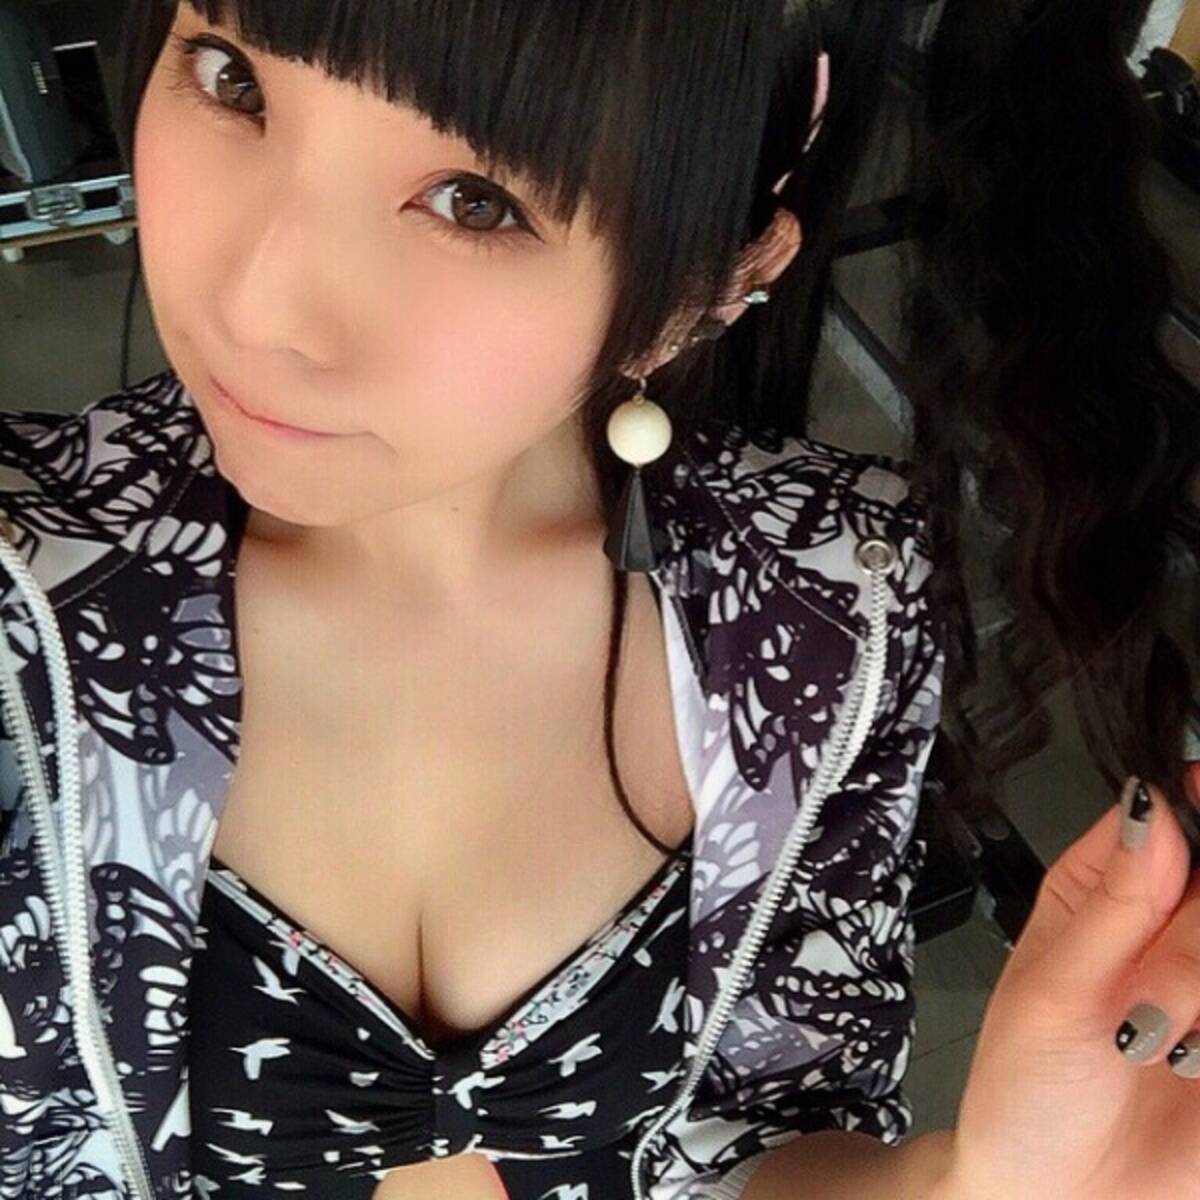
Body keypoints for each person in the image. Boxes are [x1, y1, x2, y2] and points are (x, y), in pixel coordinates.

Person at [1, 3, 1199, 1200]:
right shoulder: (27, 612)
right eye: (231, 80)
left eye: (474, 201)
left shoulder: (829, 600)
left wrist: (971, 1187)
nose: (260, 308)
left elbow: (762, 1130)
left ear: (708, 284)